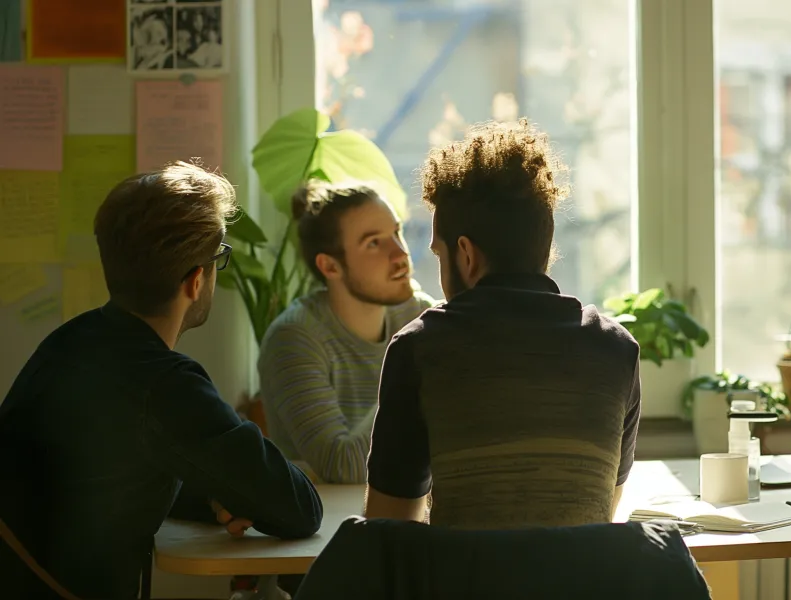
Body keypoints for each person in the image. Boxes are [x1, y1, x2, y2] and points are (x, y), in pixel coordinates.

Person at [0, 162, 323, 600]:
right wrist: (239, 488)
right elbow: (301, 509)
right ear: (195, 281)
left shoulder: (70, 342)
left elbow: (105, 474)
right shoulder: (166, 384)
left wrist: (213, 497)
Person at [364, 119, 642, 529]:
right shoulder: (617, 351)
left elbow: (388, 531)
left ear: (466, 256)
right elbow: (596, 519)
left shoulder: (420, 350)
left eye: (440, 256)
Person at [258, 181, 436, 484]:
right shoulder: (294, 338)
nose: (400, 254)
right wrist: (413, 371)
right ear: (330, 266)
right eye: (374, 243)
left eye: (396, 232)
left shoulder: (418, 315)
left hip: (403, 511)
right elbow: (341, 465)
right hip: (323, 523)